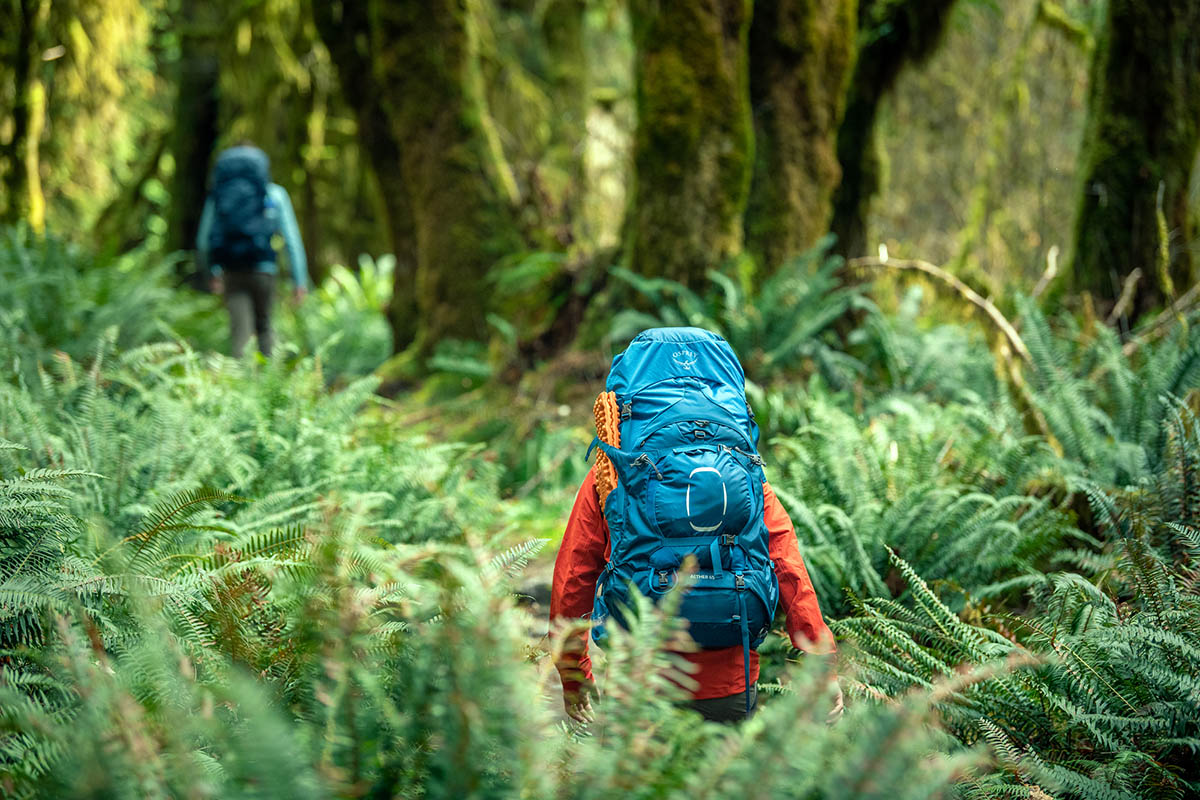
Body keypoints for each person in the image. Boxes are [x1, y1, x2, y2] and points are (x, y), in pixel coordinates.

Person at [550, 328, 843, 724]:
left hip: (639, 683)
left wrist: (574, 676)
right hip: (730, 680)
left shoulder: (612, 476)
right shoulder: (747, 476)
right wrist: (821, 664)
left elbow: (574, 578)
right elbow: (788, 565)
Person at [196, 144, 309, 358]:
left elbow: (203, 241)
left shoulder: (219, 195)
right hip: (264, 270)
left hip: (231, 271)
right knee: (265, 327)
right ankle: (269, 377)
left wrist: (211, 272)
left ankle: (242, 376)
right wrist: (299, 281)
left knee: (241, 333)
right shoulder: (274, 194)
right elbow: (292, 240)